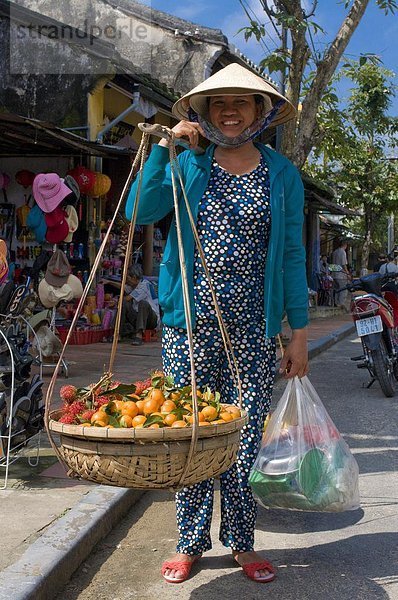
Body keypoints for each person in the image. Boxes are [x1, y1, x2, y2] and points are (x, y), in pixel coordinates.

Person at [126, 63, 309, 584]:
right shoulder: (188, 165)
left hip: (253, 328)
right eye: (218, 103)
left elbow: (293, 255)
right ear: (204, 113)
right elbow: (141, 211)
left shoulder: (281, 174)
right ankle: (189, 541)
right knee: (191, 434)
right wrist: (166, 149)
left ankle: (242, 541)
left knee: (243, 436)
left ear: (260, 112)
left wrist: (297, 334)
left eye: (242, 102)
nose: (229, 111)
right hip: (190, 325)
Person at [102, 264, 159, 345]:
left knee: (142, 303)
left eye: (127, 278)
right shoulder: (133, 285)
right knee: (124, 304)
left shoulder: (144, 285)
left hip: (151, 320)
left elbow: (128, 298)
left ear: (134, 277)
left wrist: (115, 302)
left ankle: (139, 335)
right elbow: (123, 287)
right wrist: (109, 282)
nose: (126, 280)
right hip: (138, 318)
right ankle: (117, 334)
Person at [331, 240, 351, 309]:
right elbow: (343, 264)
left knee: (336, 289)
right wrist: (347, 272)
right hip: (341, 274)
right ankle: (340, 303)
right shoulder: (343, 252)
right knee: (343, 289)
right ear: (345, 245)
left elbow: (332, 264)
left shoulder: (334, 252)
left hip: (334, 273)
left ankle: (336, 303)